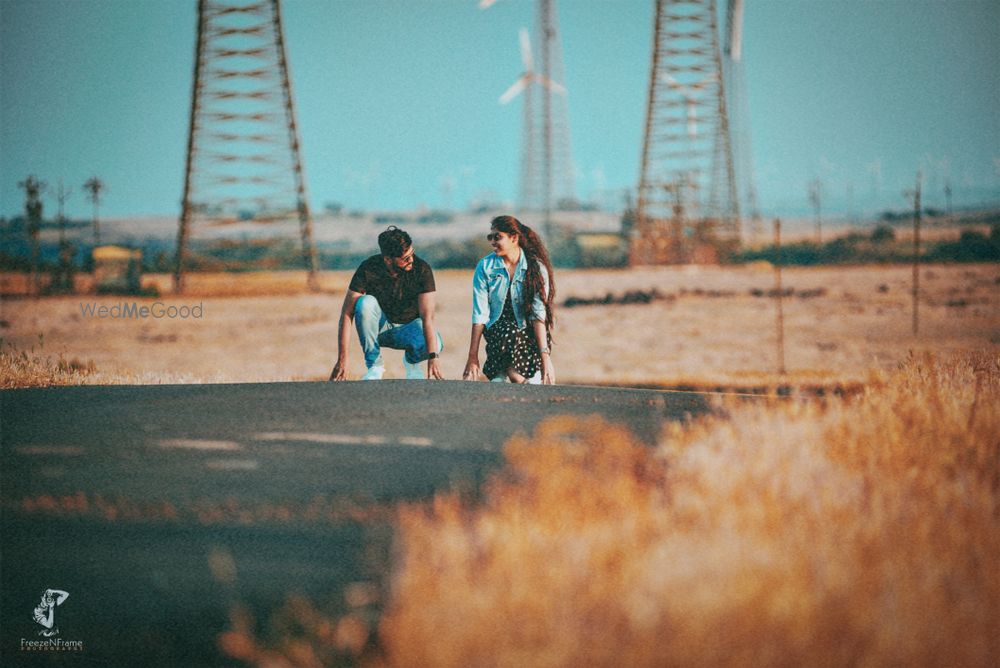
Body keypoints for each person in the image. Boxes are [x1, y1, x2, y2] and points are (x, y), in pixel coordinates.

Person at [330, 226, 444, 380]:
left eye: (412, 253)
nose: (411, 259)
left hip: (408, 329)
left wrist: (433, 357)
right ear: (388, 259)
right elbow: (346, 314)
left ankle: (412, 362)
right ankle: (375, 366)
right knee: (364, 303)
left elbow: (428, 318)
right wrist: (342, 360)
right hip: (380, 329)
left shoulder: (422, 269)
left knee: (436, 343)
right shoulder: (369, 267)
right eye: (405, 258)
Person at [463, 215, 556, 384]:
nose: (492, 242)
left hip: (529, 333)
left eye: (497, 237)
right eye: (490, 237)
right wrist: (472, 356)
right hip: (499, 333)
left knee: (521, 336)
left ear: (514, 237)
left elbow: (538, 314)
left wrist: (545, 357)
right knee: (508, 332)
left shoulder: (536, 268)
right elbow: (480, 314)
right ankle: (518, 378)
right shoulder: (485, 267)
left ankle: (512, 374)